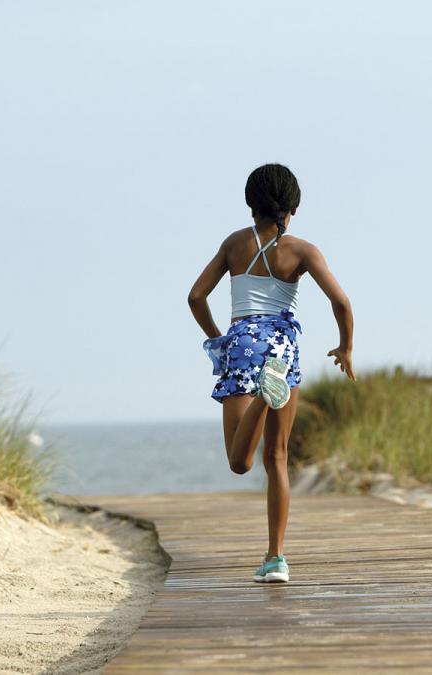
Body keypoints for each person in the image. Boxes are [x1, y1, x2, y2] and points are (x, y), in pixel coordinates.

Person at [188, 163, 355, 582]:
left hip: (242, 343)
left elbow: (196, 296)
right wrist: (345, 347)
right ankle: (276, 558)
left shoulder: (234, 244)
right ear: (292, 208)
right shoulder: (302, 251)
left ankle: (263, 395)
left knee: (239, 462)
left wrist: (218, 340)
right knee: (277, 457)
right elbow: (341, 302)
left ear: (250, 207)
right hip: (284, 345)